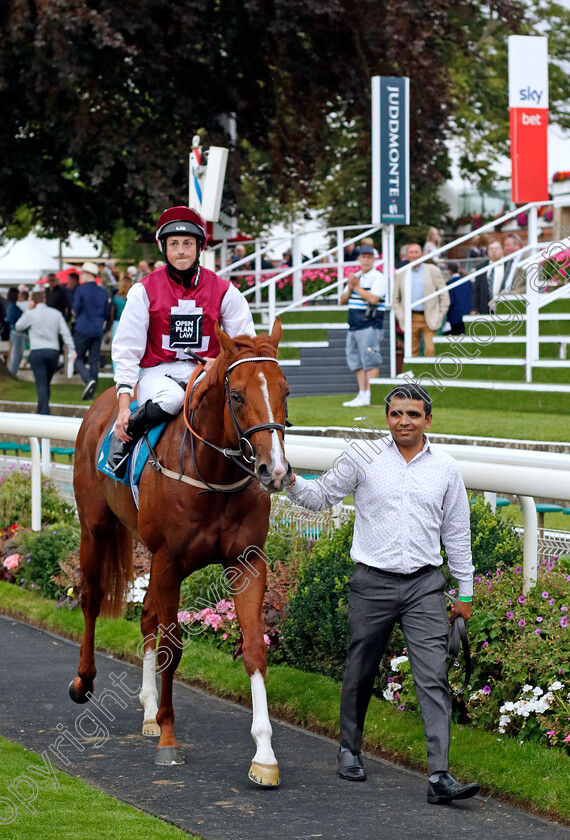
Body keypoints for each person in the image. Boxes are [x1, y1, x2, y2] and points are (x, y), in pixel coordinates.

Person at [286, 384, 479, 805]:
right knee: (360, 668)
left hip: (425, 585)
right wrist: (288, 479)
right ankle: (348, 749)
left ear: (429, 419)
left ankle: (440, 776)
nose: (404, 421)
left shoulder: (446, 468)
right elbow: (320, 497)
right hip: (371, 581)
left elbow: (458, 535)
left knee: (433, 677)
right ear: (386, 417)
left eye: (413, 414)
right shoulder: (362, 458)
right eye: (396, 414)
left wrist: (464, 593)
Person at [107, 206, 255, 477]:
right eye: (173, 244)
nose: (181, 250)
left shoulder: (225, 291)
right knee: (174, 398)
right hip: (159, 374)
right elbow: (127, 351)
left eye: (188, 243)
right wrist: (123, 406)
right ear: (164, 248)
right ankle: (127, 435)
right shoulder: (143, 291)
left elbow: (245, 343)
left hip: (206, 373)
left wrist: (221, 361)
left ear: (200, 247)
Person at [14, 290, 76, 414]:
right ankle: (42, 408)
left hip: (37, 351)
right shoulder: (56, 314)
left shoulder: (31, 314)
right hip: (53, 352)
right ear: (44, 299)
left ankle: (43, 412)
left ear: (33, 301)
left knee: (41, 383)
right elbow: (65, 333)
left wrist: (28, 310)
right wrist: (72, 349)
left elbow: (18, 326)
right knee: (46, 382)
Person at [340, 245, 387, 408]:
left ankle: (370, 394)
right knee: (357, 361)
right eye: (363, 256)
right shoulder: (356, 277)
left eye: (369, 257)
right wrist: (351, 286)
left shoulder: (378, 277)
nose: (366, 259)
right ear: (358, 259)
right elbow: (342, 299)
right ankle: (362, 393)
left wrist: (357, 287)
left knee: (370, 360)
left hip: (370, 324)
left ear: (374, 259)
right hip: (354, 325)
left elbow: (373, 299)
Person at [393, 243, 449, 357]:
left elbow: (444, 294)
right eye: (411, 252)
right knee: (411, 351)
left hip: (430, 316)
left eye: (416, 252)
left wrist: (440, 314)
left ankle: (429, 374)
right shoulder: (401, 273)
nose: (414, 255)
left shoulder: (433, 270)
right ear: (407, 255)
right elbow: (395, 298)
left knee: (430, 350)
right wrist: (400, 315)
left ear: (422, 254)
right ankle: (414, 374)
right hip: (410, 317)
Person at [73, 261, 111, 400]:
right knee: (94, 360)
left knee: (77, 358)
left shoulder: (80, 290)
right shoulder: (102, 293)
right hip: (97, 329)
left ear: (89, 274)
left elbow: (76, 309)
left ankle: (88, 380)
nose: (81, 276)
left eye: (82, 273)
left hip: (83, 328)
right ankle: (91, 392)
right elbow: (107, 313)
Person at [108, 274, 134, 373]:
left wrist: (107, 330)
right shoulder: (132, 298)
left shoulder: (116, 298)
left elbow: (111, 315)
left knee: (117, 350)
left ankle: (118, 373)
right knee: (132, 350)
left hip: (117, 324)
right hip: (131, 325)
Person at [471, 240, 503, 315]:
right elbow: (476, 290)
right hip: (485, 309)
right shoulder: (481, 268)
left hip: (503, 307)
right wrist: (474, 308)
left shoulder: (508, 266)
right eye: (491, 249)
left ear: (502, 250)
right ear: (488, 252)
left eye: (496, 248)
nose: (493, 251)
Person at [443, 263, 471, 335]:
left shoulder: (449, 284)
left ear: (449, 271)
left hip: (454, 315)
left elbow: (450, 300)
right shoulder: (468, 282)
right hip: (466, 312)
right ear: (458, 269)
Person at [6, 287, 26, 376]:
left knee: (18, 355)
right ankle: (12, 374)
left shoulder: (11, 306)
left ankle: (13, 373)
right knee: (17, 355)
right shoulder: (13, 307)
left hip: (15, 332)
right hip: (17, 333)